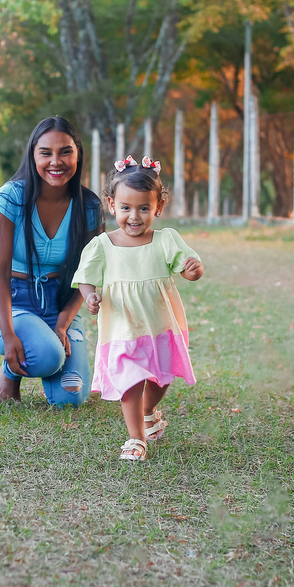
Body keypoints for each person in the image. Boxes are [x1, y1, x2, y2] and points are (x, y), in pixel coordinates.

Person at [73, 155, 203, 461]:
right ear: (111, 204)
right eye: (126, 207)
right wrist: (90, 296)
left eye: (144, 208)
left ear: (158, 207)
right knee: (131, 383)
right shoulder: (102, 245)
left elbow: (186, 268)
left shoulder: (165, 240)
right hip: (122, 328)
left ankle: (148, 410)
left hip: (160, 326)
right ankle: (136, 439)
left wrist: (192, 269)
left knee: (161, 379)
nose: (134, 216)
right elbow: (86, 280)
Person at [0, 116, 104, 404]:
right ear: (32, 155)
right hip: (14, 304)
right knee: (48, 356)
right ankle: (11, 373)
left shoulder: (89, 206)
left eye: (65, 152)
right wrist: (9, 335)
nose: (56, 161)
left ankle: (49, 340)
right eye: (45, 152)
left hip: (61, 301)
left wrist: (62, 323)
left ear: (78, 154)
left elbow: (89, 275)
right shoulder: (8, 199)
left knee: (70, 399)